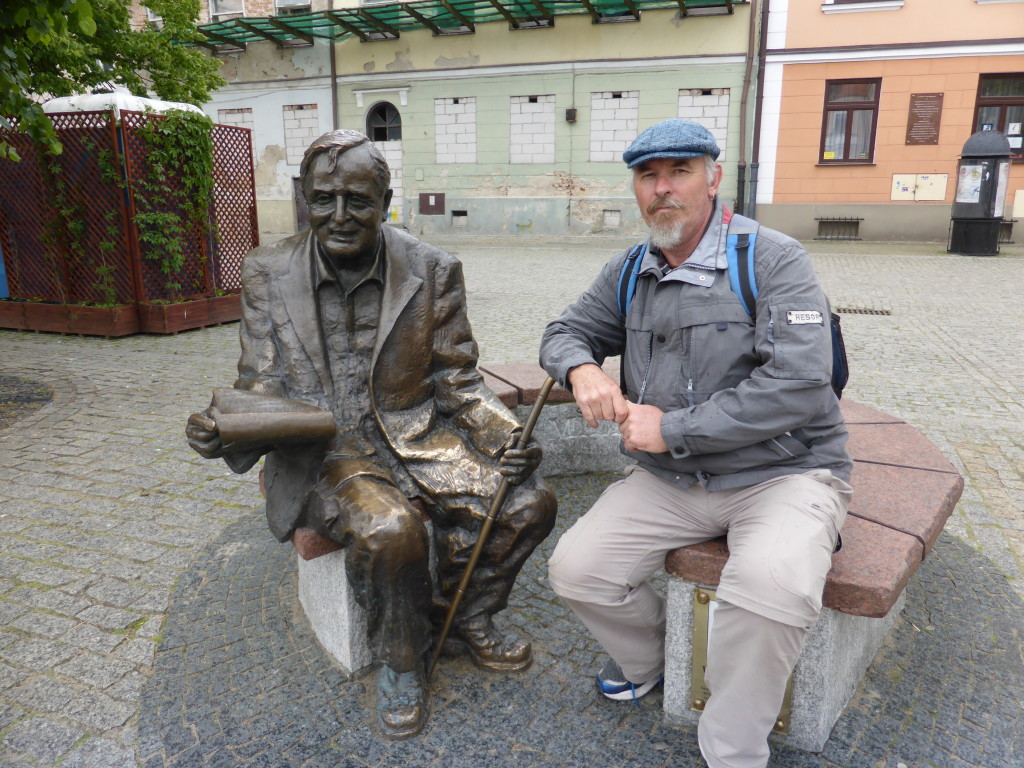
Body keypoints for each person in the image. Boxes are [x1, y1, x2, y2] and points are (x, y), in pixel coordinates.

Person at [186, 129, 556, 740]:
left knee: (528, 501)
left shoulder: (432, 269)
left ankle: (465, 613)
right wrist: (226, 429)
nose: (338, 216)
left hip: (416, 436)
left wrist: (504, 435)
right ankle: (402, 662)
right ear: (304, 197)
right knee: (391, 529)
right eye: (322, 199)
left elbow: (457, 379)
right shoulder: (267, 270)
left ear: (385, 200)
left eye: (357, 200)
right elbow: (260, 380)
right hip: (326, 450)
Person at [539, 119, 852, 768]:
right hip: (672, 480)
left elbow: (798, 382)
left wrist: (672, 428)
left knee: (770, 588)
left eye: (679, 171)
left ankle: (732, 750)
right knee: (578, 570)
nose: (662, 189)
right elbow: (564, 331)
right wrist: (582, 368)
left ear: (712, 177)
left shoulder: (771, 257)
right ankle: (658, 662)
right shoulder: (632, 267)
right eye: (648, 176)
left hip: (784, 472)